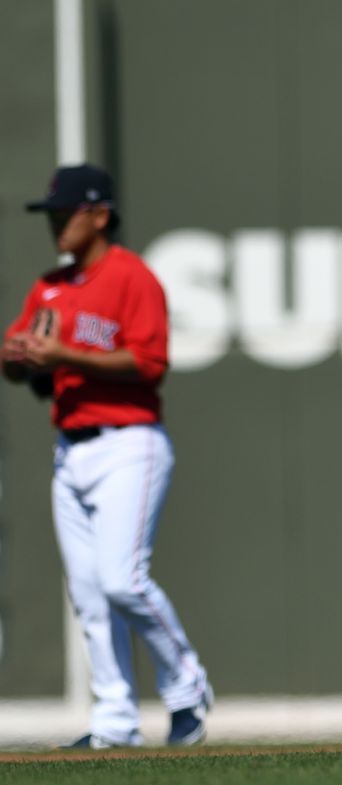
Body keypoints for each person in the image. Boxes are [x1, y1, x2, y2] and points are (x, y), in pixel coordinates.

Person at [2, 164, 213, 748]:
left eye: (64, 214)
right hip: (71, 449)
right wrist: (21, 355)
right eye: (51, 216)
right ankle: (115, 721)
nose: (56, 226)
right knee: (90, 594)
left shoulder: (132, 277)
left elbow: (149, 363)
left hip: (129, 442)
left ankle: (188, 684)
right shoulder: (49, 286)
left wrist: (64, 354)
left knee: (123, 580)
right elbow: (14, 359)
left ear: (99, 214)